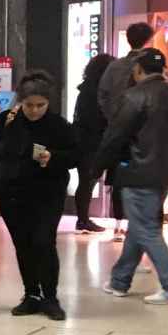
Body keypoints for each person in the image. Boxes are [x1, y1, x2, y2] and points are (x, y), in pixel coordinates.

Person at [92, 47, 168, 305]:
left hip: (136, 170)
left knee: (146, 228)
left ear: (138, 70)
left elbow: (115, 137)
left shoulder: (133, 97)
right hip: (165, 172)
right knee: (141, 225)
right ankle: (120, 280)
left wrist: (97, 169)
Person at [0, 71, 80, 320]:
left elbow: (77, 156)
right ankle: (31, 294)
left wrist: (53, 158)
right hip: (13, 195)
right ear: (20, 102)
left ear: (49, 103)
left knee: (44, 243)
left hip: (47, 194)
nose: (34, 111)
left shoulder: (58, 126)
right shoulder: (6, 121)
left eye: (40, 105)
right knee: (23, 245)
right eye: (29, 105)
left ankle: (50, 297)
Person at [98, 23, 157, 239]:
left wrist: (113, 118)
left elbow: (102, 95)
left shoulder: (114, 66)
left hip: (118, 132)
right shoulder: (150, 65)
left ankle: (118, 223)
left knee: (118, 178)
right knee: (142, 177)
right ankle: (139, 223)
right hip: (144, 134)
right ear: (148, 40)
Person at [71, 53, 114, 233]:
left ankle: (83, 218)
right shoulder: (96, 92)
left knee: (86, 181)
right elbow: (94, 119)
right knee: (88, 181)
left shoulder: (87, 89)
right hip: (92, 142)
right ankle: (82, 219)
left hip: (85, 141)